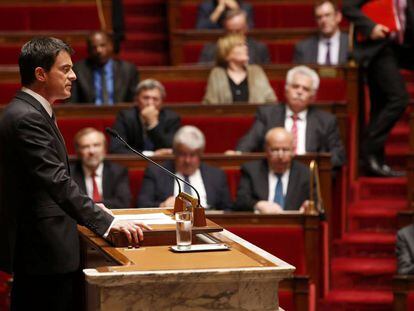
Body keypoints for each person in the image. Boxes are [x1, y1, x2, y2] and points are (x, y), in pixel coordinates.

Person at [0, 37, 149, 310]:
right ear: (41, 74)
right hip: (42, 252)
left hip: (44, 248)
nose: (74, 75)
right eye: (65, 69)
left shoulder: (30, 111)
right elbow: (56, 181)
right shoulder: (27, 117)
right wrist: (104, 221)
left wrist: (92, 208)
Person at [343, 0, 414, 177]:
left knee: (380, 103)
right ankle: (368, 148)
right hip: (378, 48)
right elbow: (348, 7)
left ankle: (377, 161)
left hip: (400, 48)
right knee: (399, 98)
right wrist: (371, 27)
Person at [235, 65, 346, 168]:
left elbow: (338, 156)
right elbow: (248, 142)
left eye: (305, 89)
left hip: (310, 176)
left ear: (313, 96)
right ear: (286, 90)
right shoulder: (268, 115)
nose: (299, 92)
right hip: (273, 170)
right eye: (295, 86)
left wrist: (316, 166)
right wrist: (237, 154)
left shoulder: (326, 121)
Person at [137, 126, 232, 210]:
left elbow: (228, 209)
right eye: (182, 154)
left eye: (192, 155)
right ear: (174, 153)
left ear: (200, 154)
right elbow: (142, 205)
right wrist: (162, 205)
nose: (187, 160)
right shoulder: (156, 172)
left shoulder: (216, 175)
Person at [234, 128, 311, 212]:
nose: (280, 155)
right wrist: (257, 205)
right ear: (266, 150)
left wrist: (308, 206)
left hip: (293, 223)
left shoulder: (306, 174)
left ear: (293, 150)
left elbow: (318, 205)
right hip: (261, 222)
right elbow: (241, 201)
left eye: (285, 150)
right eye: (275, 150)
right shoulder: (251, 170)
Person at [109, 79, 181, 155]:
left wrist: (153, 125)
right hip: (133, 164)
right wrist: (150, 155)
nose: (150, 103)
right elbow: (116, 149)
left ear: (162, 102)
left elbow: (172, 149)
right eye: (146, 98)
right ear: (136, 100)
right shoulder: (125, 117)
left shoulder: (172, 119)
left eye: (155, 99)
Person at [203, 33, 276, 104]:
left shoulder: (256, 71)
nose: (246, 47)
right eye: (240, 45)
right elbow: (209, 104)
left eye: (245, 44)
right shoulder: (217, 74)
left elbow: (270, 100)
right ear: (226, 53)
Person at [69, 31, 139, 104]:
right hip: (88, 114)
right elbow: (71, 102)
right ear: (89, 50)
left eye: (102, 45)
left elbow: (134, 101)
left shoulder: (127, 69)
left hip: (120, 113)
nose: (99, 50)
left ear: (111, 46)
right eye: (94, 47)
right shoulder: (79, 69)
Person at [71, 127, 131, 209]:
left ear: (104, 149)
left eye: (96, 145)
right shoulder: (69, 173)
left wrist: (86, 206)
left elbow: (123, 203)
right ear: (78, 152)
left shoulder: (118, 171)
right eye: (85, 147)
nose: (91, 151)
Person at [199, 9, 270, 65]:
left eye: (238, 31)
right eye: (230, 31)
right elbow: (201, 75)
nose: (234, 35)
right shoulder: (210, 49)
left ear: (246, 28)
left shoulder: (259, 49)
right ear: (225, 30)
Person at [293, 0, 349, 65]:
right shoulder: (303, 48)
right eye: (319, 17)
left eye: (327, 15)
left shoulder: (351, 44)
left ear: (338, 17)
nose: (323, 20)